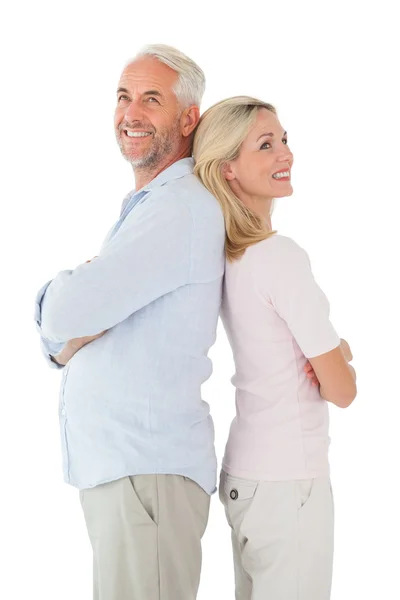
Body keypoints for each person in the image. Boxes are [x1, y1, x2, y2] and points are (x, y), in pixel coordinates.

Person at [34, 45, 225, 600]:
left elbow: (68, 313)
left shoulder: (179, 207)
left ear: (189, 118)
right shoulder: (154, 206)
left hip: (147, 475)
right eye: (123, 97)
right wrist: (72, 322)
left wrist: (61, 300)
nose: (131, 113)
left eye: (151, 99)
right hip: (132, 475)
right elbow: (77, 321)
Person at [193, 96, 357, 599]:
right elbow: (343, 390)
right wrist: (339, 355)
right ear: (229, 170)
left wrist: (330, 354)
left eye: (284, 140)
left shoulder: (224, 259)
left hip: (244, 478)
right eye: (266, 145)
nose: (285, 153)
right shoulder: (281, 257)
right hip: (291, 482)